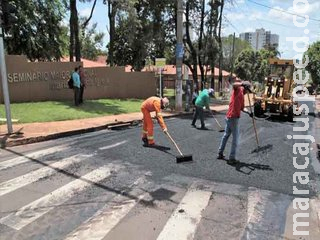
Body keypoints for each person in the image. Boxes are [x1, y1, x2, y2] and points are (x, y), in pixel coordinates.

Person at [217, 79, 253, 164]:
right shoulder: (238, 90)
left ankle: (220, 153)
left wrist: (249, 112)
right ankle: (232, 158)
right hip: (233, 118)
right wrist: (242, 84)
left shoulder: (242, 96)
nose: (247, 93)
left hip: (230, 117)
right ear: (245, 88)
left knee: (226, 135)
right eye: (247, 90)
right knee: (235, 139)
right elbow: (234, 84)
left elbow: (242, 108)